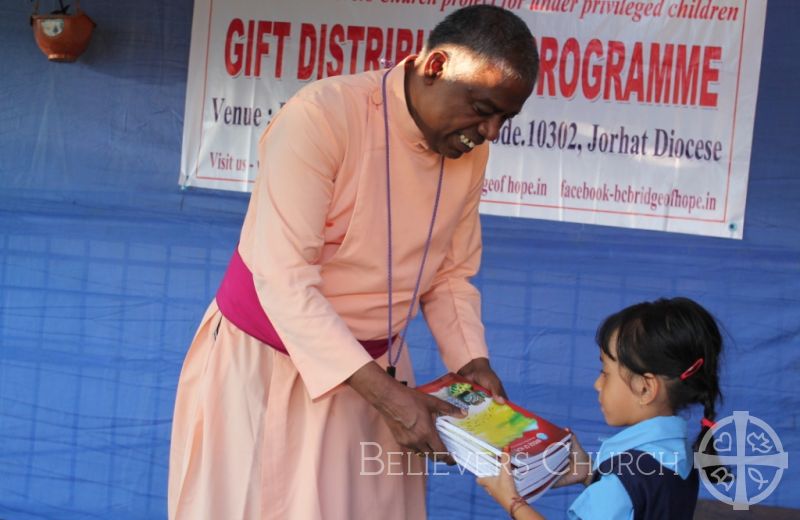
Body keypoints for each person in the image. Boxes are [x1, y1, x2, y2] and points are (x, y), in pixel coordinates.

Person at [168, 5, 540, 519]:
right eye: (482, 108)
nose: (491, 131)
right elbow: (284, 281)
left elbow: (450, 272)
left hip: (381, 375)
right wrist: (389, 399)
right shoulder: (322, 116)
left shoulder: (468, 150)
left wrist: (471, 362)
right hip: (267, 368)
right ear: (434, 67)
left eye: (506, 118)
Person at [478, 297, 725, 519]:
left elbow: (627, 494)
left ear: (645, 389)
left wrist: (512, 502)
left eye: (605, 373)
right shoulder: (678, 453)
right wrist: (589, 475)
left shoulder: (621, 483)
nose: (597, 384)